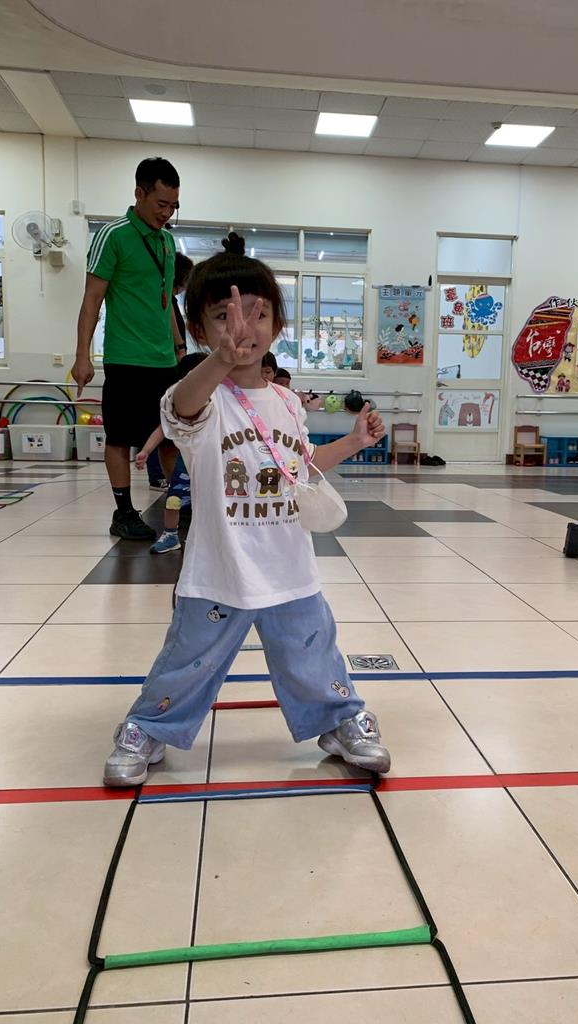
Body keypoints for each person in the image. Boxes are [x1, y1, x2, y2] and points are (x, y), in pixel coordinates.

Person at [103, 233, 391, 786]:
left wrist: (354, 442)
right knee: (187, 661)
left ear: (278, 325)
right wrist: (220, 360)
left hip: (289, 565)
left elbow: (301, 468)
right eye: (224, 316)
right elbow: (182, 407)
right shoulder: (201, 397)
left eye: (259, 313)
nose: (243, 327)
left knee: (314, 656)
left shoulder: (286, 401)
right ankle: (149, 727)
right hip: (218, 568)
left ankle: (339, 720)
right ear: (198, 329)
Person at [70, 156, 185, 541]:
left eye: (173, 206)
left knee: (170, 437)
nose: (166, 214)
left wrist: (179, 346)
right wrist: (82, 355)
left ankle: (180, 503)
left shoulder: (167, 241)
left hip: (164, 361)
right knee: (120, 437)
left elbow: (165, 301)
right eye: (161, 204)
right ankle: (123, 512)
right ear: (139, 193)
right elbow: (92, 299)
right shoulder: (113, 235)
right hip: (125, 358)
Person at [135, 352, 206, 554]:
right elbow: (162, 428)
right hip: (185, 463)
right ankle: (170, 534)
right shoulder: (178, 404)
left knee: (209, 502)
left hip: (211, 463)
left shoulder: (218, 401)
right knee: (173, 500)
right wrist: (146, 450)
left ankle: (203, 536)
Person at [146, 251, 195, 490]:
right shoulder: (164, 301)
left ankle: (166, 478)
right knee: (165, 433)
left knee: (166, 432)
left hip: (169, 366)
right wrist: (180, 351)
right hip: (165, 368)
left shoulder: (170, 301)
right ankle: (165, 479)